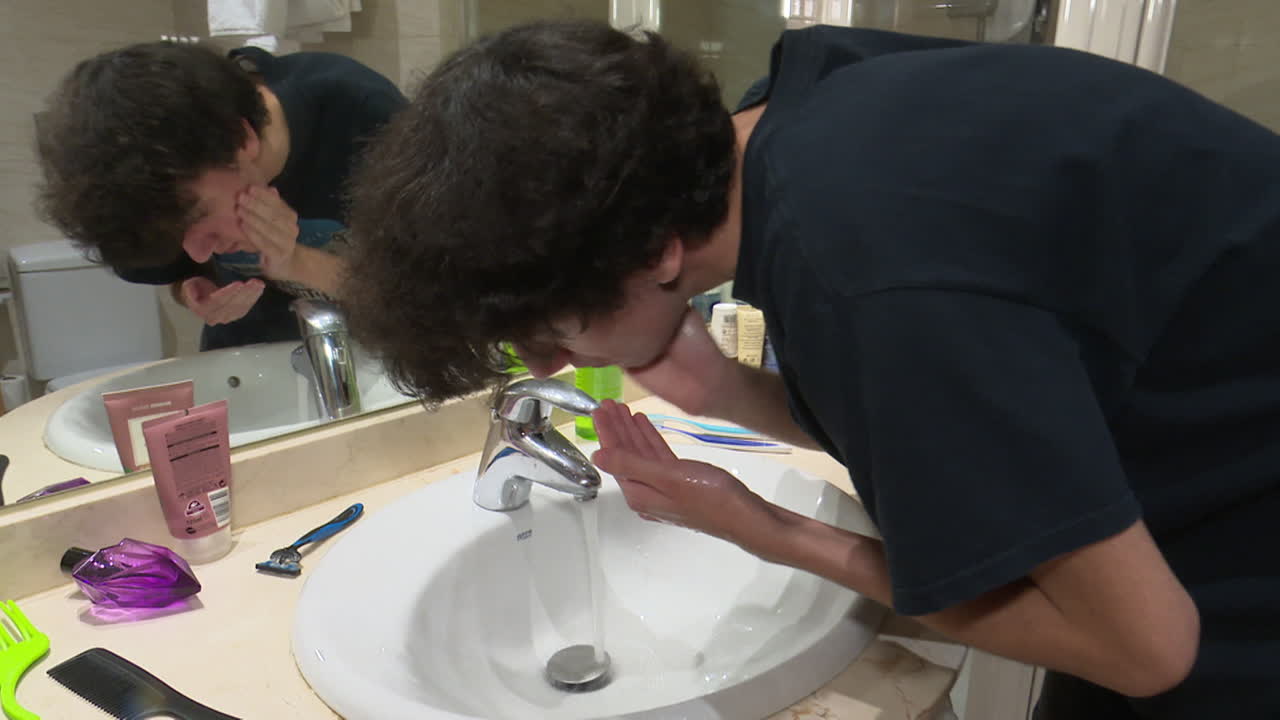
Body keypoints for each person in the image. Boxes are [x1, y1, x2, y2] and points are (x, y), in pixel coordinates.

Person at [338, 20, 1280, 719]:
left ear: (656, 252)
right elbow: (951, 412)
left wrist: (765, 530)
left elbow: (1148, 650)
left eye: (545, 327)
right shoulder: (809, 105)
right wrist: (729, 395)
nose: (549, 362)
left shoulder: (865, 273)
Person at [35, 41, 407, 350]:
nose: (198, 251)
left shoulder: (362, 115)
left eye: (199, 216)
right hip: (243, 363)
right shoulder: (153, 197)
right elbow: (181, 272)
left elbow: (421, 296)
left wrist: (296, 262)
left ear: (240, 138)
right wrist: (194, 289)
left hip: (378, 362)